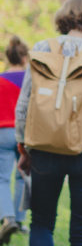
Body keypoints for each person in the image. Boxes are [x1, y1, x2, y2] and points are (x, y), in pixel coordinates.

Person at [15, 0, 82, 246]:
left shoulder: (41, 49)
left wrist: (24, 147)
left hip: (44, 148)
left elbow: (24, 103)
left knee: (42, 222)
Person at [0, 36, 28, 243]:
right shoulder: (31, 79)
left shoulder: (0, 79)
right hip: (25, 133)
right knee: (23, 177)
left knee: (2, 177)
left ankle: (7, 217)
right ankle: (19, 220)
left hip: (2, 132)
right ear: (25, 57)